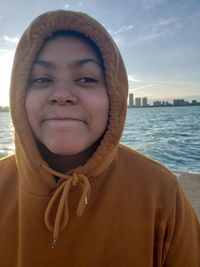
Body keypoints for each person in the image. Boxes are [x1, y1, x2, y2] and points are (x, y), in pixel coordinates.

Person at [0, 10, 199, 267]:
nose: (62, 94)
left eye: (86, 78)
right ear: (18, 96)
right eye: (41, 79)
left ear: (114, 98)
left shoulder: (161, 192)